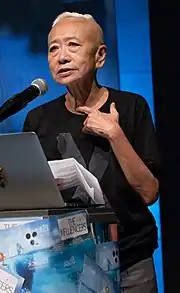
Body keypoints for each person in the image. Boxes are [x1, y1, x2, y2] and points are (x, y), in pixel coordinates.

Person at [23, 12, 160, 293]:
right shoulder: (38, 120)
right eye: (53, 48)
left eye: (73, 45)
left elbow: (149, 193)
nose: (61, 57)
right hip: (65, 263)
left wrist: (115, 134)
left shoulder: (132, 107)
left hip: (131, 260)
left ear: (100, 56)